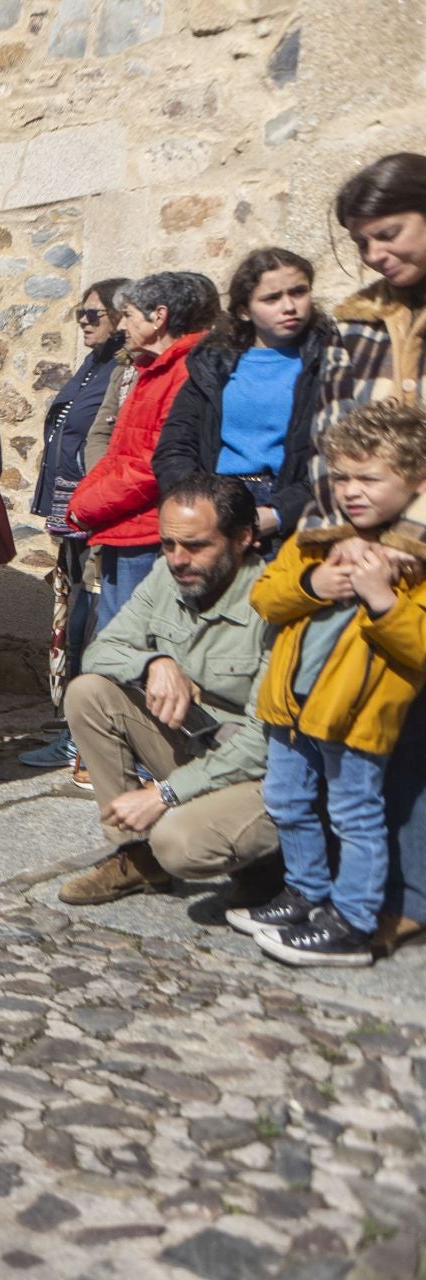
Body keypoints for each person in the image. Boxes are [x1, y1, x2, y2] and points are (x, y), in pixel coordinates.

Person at [232, 404, 426, 966]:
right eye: (342, 476)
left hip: (356, 716)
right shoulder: (318, 535)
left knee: (355, 816)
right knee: (288, 801)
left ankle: (354, 921)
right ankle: (306, 893)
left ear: (414, 482)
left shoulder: (413, 559)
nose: (352, 490)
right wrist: (318, 581)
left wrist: (381, 597)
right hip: (291, 706)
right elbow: (266, 597)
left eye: (370, 478)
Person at [305, 154, 426, 952]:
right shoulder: (357, 318)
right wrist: (341, 542)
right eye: (364, 243)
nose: (378, 256)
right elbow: (329, 431)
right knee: (391, 733)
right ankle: (395, 894)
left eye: (389, 235)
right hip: (371, 551)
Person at [56, 476, 277, 907]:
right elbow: (102, 651)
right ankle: (137, 855)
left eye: (195, 545)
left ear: (243, 538)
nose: (178, 559)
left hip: (261, 771)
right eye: (168, 544)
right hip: (196, 742)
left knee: (180, 845)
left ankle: (271, 863)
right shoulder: (166, 577)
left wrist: (165, 794)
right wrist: (155, 663)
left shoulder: (273, 603)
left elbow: (264, 741)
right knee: (88, 693)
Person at [19, 279, 131, 778]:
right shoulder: (92, 366)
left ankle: (84, 737)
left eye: (93, 313)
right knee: (73, 622)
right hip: (71, 518)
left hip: (98, 518)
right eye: (79, 314)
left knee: (91, 626)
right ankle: (72, 726)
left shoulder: (120, 370)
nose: (84, 321)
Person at [68, 273, 218, 630]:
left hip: (149, 533)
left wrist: (85, 505)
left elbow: (153, 464)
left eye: (129, 314)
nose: (121, 326)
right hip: (128, 527)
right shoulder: (152, 369)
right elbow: (118, 448)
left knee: (132, 652)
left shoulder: (184, 371)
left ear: (159, 316)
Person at [154, 249, 328, 545]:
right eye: (271, 298)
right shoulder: (212, 364)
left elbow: (338, 456)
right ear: (245, 310)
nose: (289, 306)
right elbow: (174, 449)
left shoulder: (329, 361)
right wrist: (204, 507)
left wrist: (279, 513)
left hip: (294, 515)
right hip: (217, 506)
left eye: (298, 292)